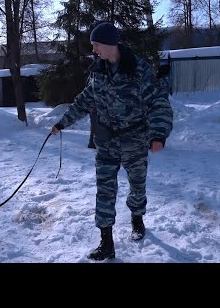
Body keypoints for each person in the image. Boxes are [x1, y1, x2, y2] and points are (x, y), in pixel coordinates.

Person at [50, 22, 173, 261]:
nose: (94, 50)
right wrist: (62, 123)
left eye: (96, 45)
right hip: (106, 142)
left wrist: (158, 134)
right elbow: (85, 100)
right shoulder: (98, 70)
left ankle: (137, 218)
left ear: (109, 44)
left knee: (137, 185)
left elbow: (158, 102)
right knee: (104, 191)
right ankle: (106, 242)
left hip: (134, 142)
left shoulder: (139, 69)